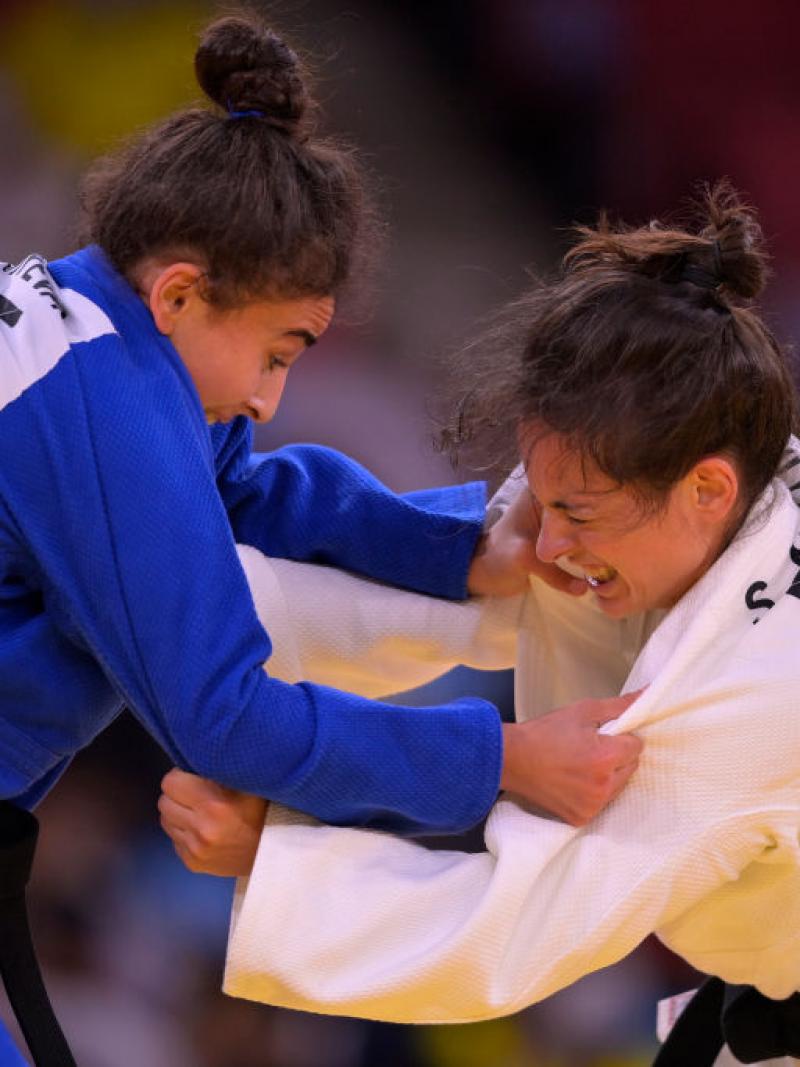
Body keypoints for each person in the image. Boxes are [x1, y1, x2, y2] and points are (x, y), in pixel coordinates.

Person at [0, 10, 645, 1063]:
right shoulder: (101, 403)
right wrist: (504, 757)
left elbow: (241, 490)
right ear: (180, 291)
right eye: (278, 351)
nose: (268, 398)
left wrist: (457, 546)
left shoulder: (84, 321)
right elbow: (225, 720)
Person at [159, 187, 800, 1060]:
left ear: (708, 489)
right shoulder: (719, 458)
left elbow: (515, 926)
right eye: (544, 496)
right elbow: (482, 602)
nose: (552, 539)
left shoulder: (752, 691)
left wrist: (269, 860)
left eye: (578, 512)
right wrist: (167, 607)